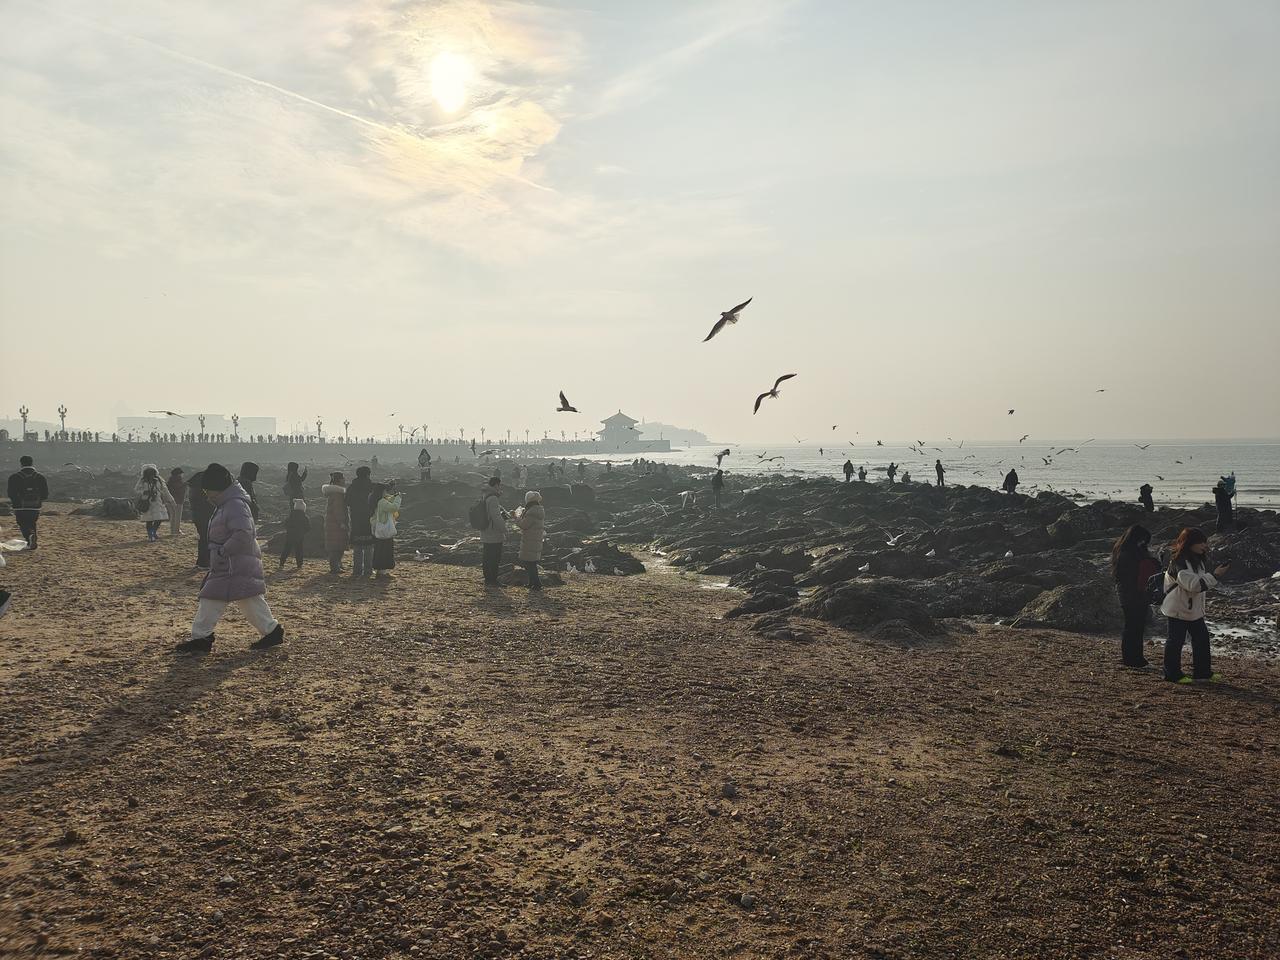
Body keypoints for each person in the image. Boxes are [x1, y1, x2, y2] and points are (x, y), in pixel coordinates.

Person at [175, 463, 284, 653]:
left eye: (209, 490)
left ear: (219, 488)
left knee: (212, 598)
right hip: (235, 562)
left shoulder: (233, 504)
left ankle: (201, 638)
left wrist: (223, 551)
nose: (207, 494)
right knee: (248, 599)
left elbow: (243, 533)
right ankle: (271, 631)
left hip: (231, 563)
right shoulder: (229, 502)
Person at [1160, 527, 1229, 683]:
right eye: (1201, 543)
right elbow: (1194, 585)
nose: (1204, 546)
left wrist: (1212, 577)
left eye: (1205, 542)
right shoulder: (1178, 562)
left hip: (1193, 610)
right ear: (1189, 543)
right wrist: (1216, 575)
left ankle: (1203, 673)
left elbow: (1199, 584)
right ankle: (1171, 674)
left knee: (1202, 640)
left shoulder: (1197, 560)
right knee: (1175, 642)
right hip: (1178, 608)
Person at [1110, 525, 1158, 669]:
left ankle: (1131, 657)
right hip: (1135, 594)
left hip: (1127, 594)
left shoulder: (1121, 551)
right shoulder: (1132, 554)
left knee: (1132, 626)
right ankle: (1135, 659)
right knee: (1135, 627)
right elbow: (1140, 573)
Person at [6, 455, 48, 550]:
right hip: (35, 506)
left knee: (22, 523)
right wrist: (39, 500)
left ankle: (30, 537)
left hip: (20, 506)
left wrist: (15, 502)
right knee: (32, 523)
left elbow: (11, 493)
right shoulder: (40, 477)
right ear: (32, 463)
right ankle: (32, 541)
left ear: (21, 463)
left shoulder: (14, 477)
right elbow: (45, 493)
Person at [134, 464, 176, 542]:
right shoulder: (142, 481)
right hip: (147, 502)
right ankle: (151, 535)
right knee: (149, 520)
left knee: (159, 519)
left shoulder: (159, 480)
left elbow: (165, 490)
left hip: (157, 502)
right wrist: (145, 492)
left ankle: (153, 532)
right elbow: (136, 490)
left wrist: (171, 500)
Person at [346, 466, 374, 577]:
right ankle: (368, 571)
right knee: (368, 547)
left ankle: (357, 571)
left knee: (357, 547)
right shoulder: (371, 487)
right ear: (367, 474)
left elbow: (347, 502)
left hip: (356, 519)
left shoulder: (352, 487)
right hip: (369, 520)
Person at [515, 490, 545, 590]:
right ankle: (532, 583)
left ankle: (537, 584)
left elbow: (524, 525)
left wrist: (516, 518)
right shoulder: (536, 510)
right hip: (534, 540)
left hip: (530, 540)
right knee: (530, 563)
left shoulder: (532, 512)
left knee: (529, 564)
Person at [480, 476, 507, 586]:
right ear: (496, 485)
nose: (500, 488)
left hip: (485, 530)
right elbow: (496, 517)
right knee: (495, 557)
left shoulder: (485, 495)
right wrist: (504, 529)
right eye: (500, 485)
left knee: (487, 556)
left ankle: (488, 579)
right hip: (493, 532)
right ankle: (493, 580)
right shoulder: (493, 499)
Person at [371, 480, 401, 577]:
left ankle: (380, 570)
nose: (386, 492)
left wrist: (394, 497)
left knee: (379, 550)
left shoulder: (376, 500)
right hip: (385, 531)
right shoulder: (382, 502)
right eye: (385, 491)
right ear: (381, 492)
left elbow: (388, 500)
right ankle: (383, 571)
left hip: (379, 530)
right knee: (385, 550)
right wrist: (398, 498)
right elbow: (393, 508)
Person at [321, 472, 348, 574]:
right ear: (340, 480)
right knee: (337, 546)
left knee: (335, 546)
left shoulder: (333, 492)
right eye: (343, 478)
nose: (345, 480)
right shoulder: (338, 494)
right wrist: (341, 522)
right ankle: (335, 567)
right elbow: (338, 509)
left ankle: (337, 565)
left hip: (331, 523)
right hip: (336, 524)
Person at [187, 469, 214, 570]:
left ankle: (201, 562)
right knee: (206, 539)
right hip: (205, 516)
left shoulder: (193, 489)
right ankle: (204, 563)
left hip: (197, 516)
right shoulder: (202, 491)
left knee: (203, 539)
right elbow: (209, 504)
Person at [279, 499, 309, 570]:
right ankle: (299, 565)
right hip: (300, 536)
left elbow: (285, 524)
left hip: (290, 535)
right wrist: (303, 532)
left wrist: (289, 530)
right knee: (299, 550)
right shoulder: (305, 517)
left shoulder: (291, 516)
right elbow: (308, 527)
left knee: (286, 549)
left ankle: (281, 563)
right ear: (304, 508)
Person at [167, 468, 188, 536]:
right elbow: (180, 490)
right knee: (177, 517)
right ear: (179, 474)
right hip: (178, 501)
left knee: (172, 516)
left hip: (169, 501)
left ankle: (172, 530)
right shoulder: (179, 481)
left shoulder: (169, 481)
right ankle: (176, 531)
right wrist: (185, 484)